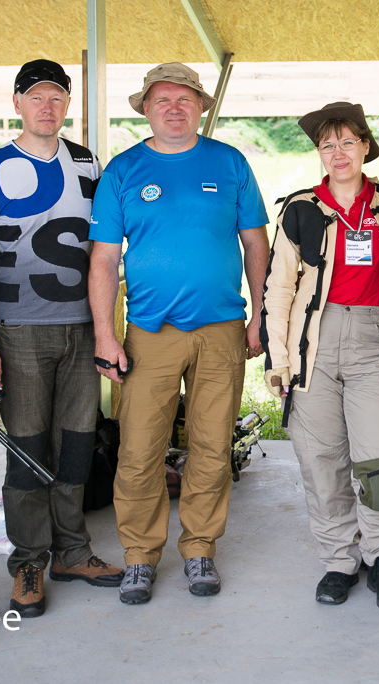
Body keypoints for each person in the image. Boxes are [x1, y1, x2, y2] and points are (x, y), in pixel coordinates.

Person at [88, 63, 270, 604]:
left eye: (185, 98)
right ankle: (140, 556)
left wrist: (259, 314)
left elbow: (256, 245)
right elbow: (102, 263)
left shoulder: (229, 162)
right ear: (145, 108)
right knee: (139, 451)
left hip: (222, 331)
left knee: (212, 448)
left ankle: (199, 550)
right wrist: (106, 334)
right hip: (149, 333)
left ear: (201, 107)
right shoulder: (123, 171)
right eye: (162, 99)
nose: (174, 107)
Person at [0, 60, 124, 619]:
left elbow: (105, 246)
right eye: (37, 97)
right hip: (18, 330)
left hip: (83, 326)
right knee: (28, 449)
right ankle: (29, 560)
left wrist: (108, 327)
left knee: (78, 444)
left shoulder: (86, 163)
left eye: (57, 97)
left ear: (66, 105)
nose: (47, 107)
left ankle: (73, 551)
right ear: (17, 104)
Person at [261, 102, 379, 610]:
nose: (338, 152)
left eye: (348, 142)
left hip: (373, 338)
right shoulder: (300, 207)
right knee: (320, 458)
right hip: (314, 343)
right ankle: (339, 560)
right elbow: (279, 286)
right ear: (319, 153)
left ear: (366, 145)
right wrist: (278, 359)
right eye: (328, 144)